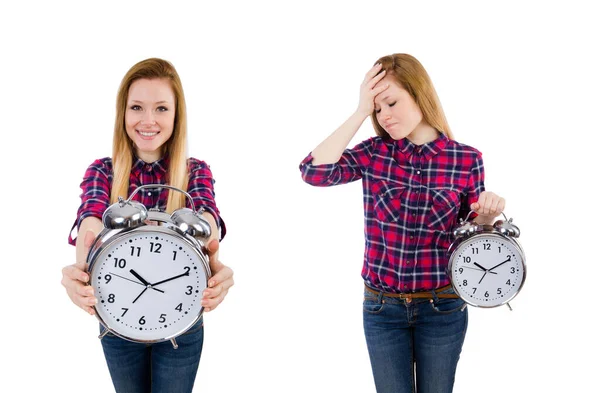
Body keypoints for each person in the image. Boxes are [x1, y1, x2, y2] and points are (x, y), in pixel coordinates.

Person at [299, 53, 506, 393]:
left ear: (419, 93)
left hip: (442, 307)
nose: (385, 115)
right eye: (378, 109)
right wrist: (360, 110)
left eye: (392, 102)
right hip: (383, 309)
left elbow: (471, 237)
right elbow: (313, 171)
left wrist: (486, 216)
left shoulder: (467, 159)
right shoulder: (375, 153)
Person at [61, 58, 234, 393]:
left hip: (181, 326)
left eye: (161, 108)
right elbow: (91, 222)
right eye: (137, 107)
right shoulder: (103, 172)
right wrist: (79, 272)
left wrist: (215, 265)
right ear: (123, 114)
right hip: (117, 320)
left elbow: (208, 220)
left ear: (176, 116)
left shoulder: (195, 171)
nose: (148, 120)